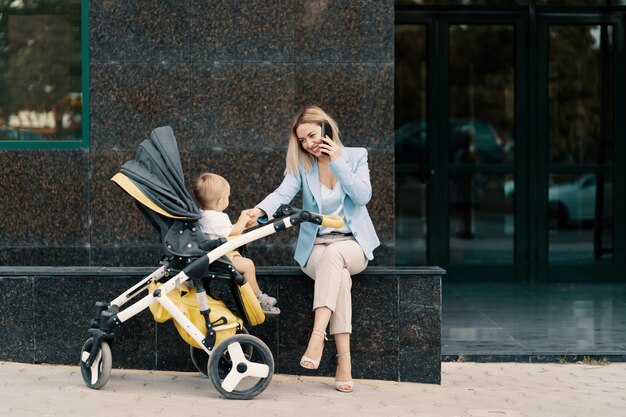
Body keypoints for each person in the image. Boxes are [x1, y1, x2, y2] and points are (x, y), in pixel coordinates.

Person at [243, 105, 380, 393]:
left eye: (313, 135)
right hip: (316, 249)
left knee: (337, 256)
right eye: (303, 140)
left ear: (327, 128)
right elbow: (282, 192)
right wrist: (257, 211)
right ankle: (344, 362)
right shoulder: (304, 166)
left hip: (353, 245)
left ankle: (317, 338)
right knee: (337, 274)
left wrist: (337, 160)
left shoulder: (356, 156)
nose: (309, 144)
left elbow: (362, 195)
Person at [193, 172, 280, 316]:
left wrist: (245, 224)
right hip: (220, 257)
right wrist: (242, 219)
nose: (229, 199)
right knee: (248, 265)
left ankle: (255, 296)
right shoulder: (217, 217)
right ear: (220, 202)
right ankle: (258, 296)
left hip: (214, 254)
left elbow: (228, 232)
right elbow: (236, 229)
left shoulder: (202, 215)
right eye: (228, 196)